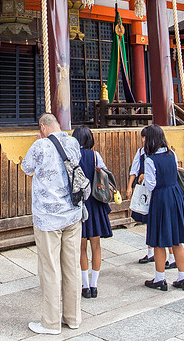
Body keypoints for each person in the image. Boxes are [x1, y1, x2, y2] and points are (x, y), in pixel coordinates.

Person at [20, 113, 84, 335]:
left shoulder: (40, 146)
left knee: (50, 269)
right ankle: (73, 317)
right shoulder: (73, 142)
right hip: (74, 213)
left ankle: (50, 323)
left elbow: (26, 168)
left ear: (42, 127)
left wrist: (38, 143)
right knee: (72, 267)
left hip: (48, 217)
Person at [141, 124, 184, 292]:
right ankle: (183, 278)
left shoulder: (150, 160)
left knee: (158, 241)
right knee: (176, 239)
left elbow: (151, 184)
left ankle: (160, 278)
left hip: (160, 198)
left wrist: (143, 179)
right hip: (175, 195)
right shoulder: (172, 154)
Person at [73, 125, 111, 299]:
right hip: (95, 203)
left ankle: (85, 285)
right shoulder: (96, 156)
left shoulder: (73, 157)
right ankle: (94, 284)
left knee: (81, 247)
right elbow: (104, 175)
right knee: (96, 245)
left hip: (80, 204)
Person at [129, 131, 174, 268]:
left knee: (164, 226)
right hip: (158, 194)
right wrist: (129, 186)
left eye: (145, 137)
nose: (143, 139)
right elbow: (135, 169)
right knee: (151, 224)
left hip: (157, 194)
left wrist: (145, 177)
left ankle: (170, 258)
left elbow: (151, 183)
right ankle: (151, 253)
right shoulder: (144, 153)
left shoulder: (153, 158)